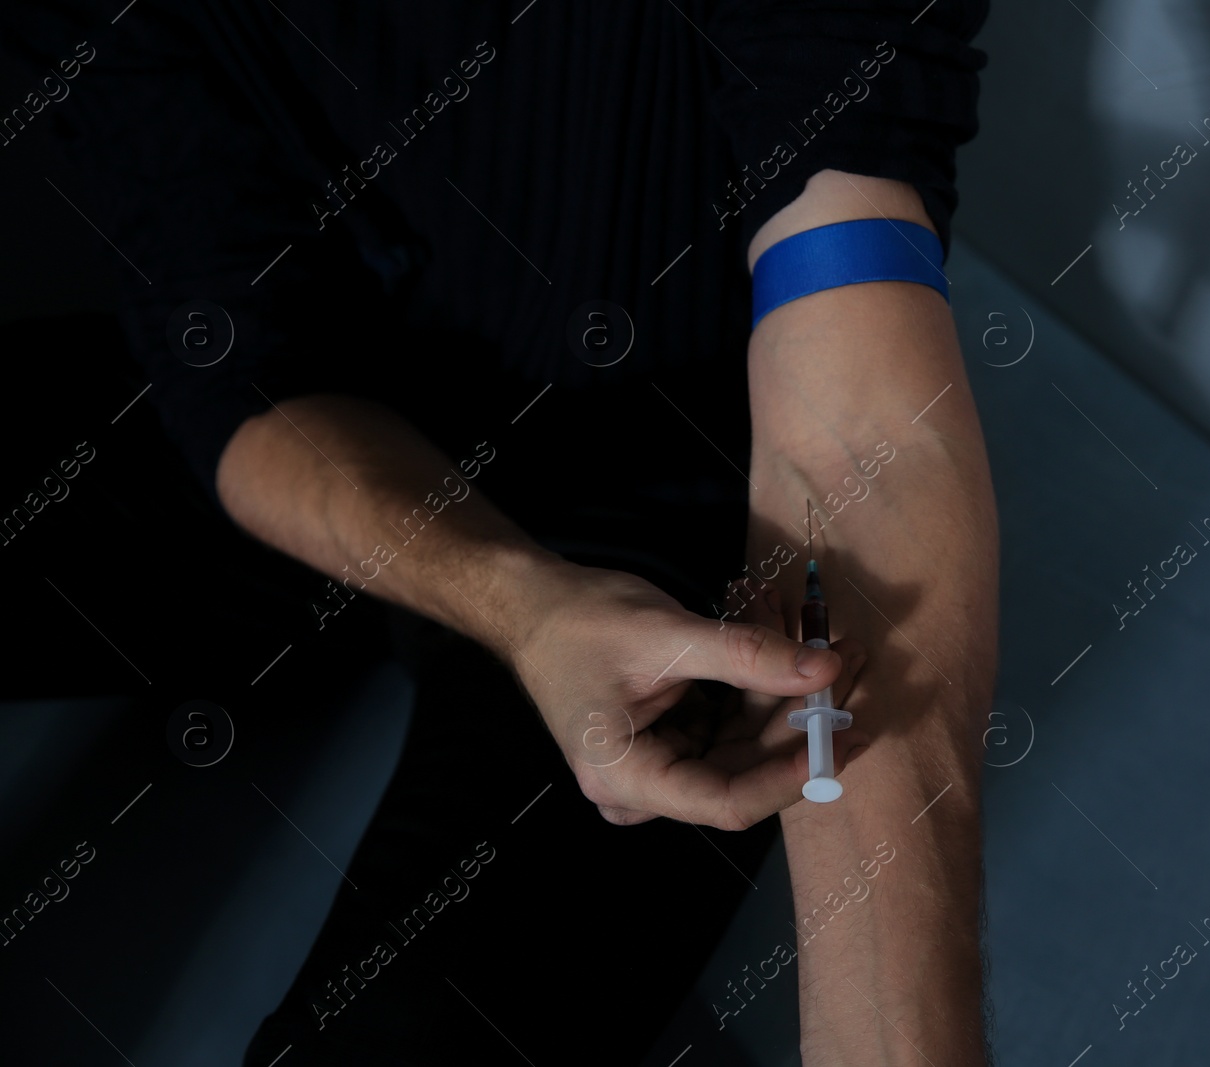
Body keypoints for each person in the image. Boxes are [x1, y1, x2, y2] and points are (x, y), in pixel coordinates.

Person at [4, 0, 1000, 1062]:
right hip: (340, 431)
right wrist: (516, 605)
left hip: (670, 520)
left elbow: (853, 438)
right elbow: (235, 372)